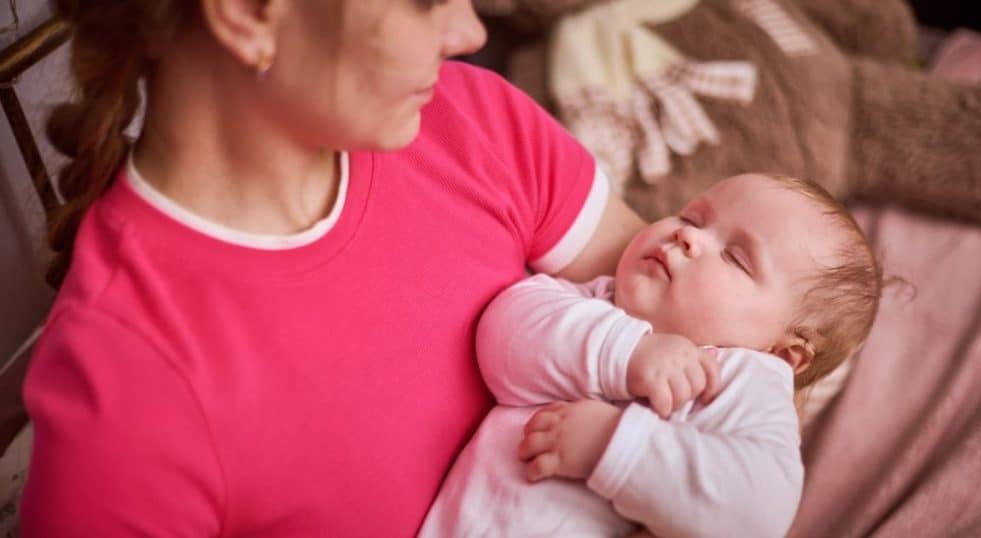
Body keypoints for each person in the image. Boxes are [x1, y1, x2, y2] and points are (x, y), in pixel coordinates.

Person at [20, 1, 647, 535]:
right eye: (424, 1)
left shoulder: (470, 118)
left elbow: (701, 336)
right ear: (246, 13)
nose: (469, 31)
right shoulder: (124, 406)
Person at [421, 173, 883, 537]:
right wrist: (627, 352)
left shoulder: (743, 379)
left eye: (736, 258)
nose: (687, 237)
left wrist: (614, 446)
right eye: (691, 217)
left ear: (784, 353)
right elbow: (503, 336)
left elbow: (757, 513)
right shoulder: (599, 302)